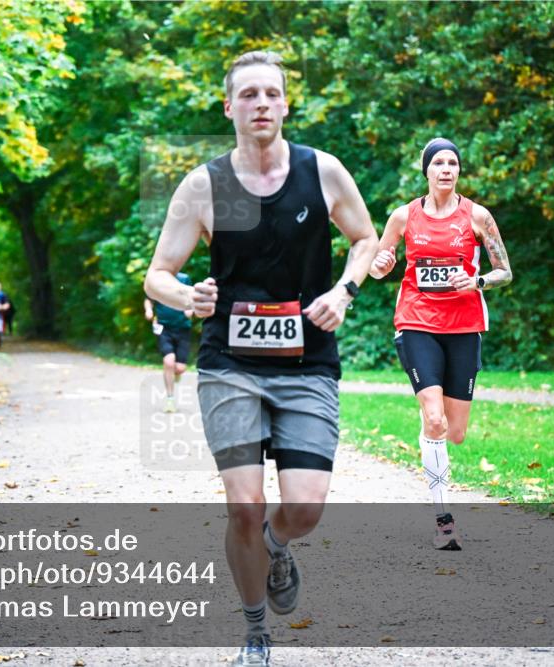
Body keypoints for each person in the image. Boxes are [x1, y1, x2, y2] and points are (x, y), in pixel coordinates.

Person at [144, 51, 377, 666]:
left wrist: (343, 292)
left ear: (286, 104)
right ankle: (254, 634)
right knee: (243, 505)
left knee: (304, 507)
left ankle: (277, 545)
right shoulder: (204, 185)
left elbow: (366, 238)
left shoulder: (322, 173)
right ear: (229, 108)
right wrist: (187, 296)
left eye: (271, 93)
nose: (261, 104)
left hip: (308, 364)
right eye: (248, 95)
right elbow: (157, 276)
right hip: (229, 367)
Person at [368, 137, 512, 550]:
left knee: (457, 432)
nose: (446, 169)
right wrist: (382, 264)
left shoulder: (478, 217)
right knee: (435, 420)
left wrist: (478, 280)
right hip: (416, 320)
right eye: (438, 163)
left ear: (458, 171)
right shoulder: (403, 216)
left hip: (464, 326)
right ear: (426, 170)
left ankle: (432, 437)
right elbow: (380, 267)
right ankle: (444, 518)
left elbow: (504, 270)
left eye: (453, 163)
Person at [144, 272, 194, 413]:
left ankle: (175, 373)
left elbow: (191, 298)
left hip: (183, 328)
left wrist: (190, 309)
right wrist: (148, 310)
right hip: (163, 328)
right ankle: (170, 399)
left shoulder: (184, 278)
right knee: (169, 361)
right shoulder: (158, 280)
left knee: (180, 368)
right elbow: (148, 299)